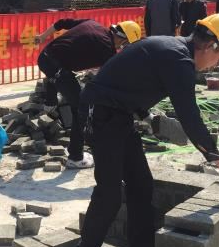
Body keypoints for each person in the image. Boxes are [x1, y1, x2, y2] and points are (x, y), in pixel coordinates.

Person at [78, 14, 219, 247]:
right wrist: (216, 158)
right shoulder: (179, 59)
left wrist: (147, 116)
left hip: (120, 115)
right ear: (211, 46)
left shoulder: (174, 51)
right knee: (109, 191)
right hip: (100, 113)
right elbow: (189, 114)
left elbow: (133, 81)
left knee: (141, 184)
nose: (215, 65)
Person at [33, 19, 141, 169]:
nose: (122, 48)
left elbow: (62, 23)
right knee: (81, 109)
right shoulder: (107, 49)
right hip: (56, 66)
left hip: (47, 55)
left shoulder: (93, 24)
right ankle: (75, 157)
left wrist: (42, 36)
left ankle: (50, 102)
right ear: (123, 40)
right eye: (125, 45)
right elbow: (109, 79)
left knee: (61, 80)